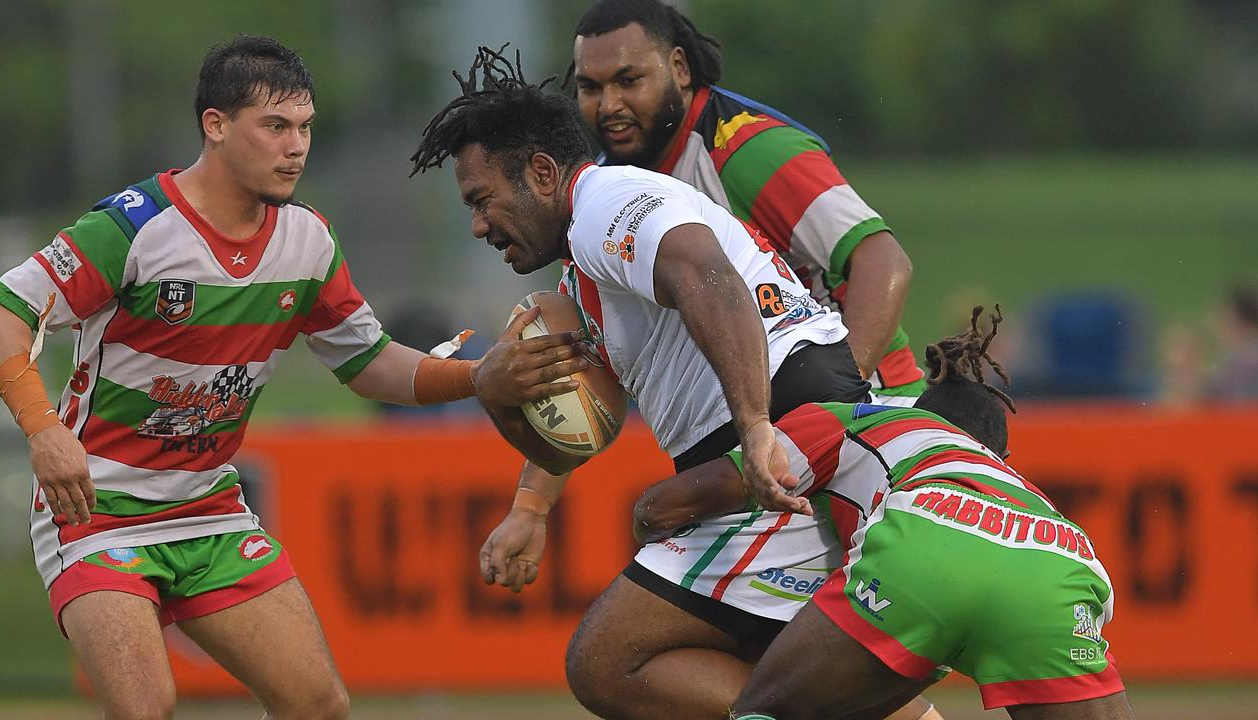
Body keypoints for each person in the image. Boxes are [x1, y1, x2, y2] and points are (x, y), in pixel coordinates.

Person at [0, 36, 582, 720]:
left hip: (207, 510)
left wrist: (480, 377)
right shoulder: (134, 228)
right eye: (275, 127)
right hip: (98, 515)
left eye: (305, 128)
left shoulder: (307, 241)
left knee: (319, 705)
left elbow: (371, 363)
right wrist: (43, 430)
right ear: (215, 126)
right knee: (145, 708)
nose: (296, 146)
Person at [409, 45, 880, 716]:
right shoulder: (584, 265)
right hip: (796, 430)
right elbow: (577, 436)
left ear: (542, 173)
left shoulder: (607, 202)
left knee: (610, 660)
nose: (479, 225)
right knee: (815, 676)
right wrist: (524, 490)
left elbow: (707, 276)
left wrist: (753, 427)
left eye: (483, 200)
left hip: (784, 432)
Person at [635, 307, 1135, 720]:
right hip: (1061, 563)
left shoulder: (879, 419)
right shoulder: (1024, 491)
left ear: (922, 411)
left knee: (763, 713)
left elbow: (676, 500)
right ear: (1000, 459)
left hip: (923, 543)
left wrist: (649, 518)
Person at [569, 0, 922, 405]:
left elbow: (883, 260)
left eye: (628, 80)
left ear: (679, 69)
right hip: (762, 419)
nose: (609, 105)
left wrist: (840, 397)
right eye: (590, 88)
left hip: (873, 406)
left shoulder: (748, 149)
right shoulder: (603, 193)